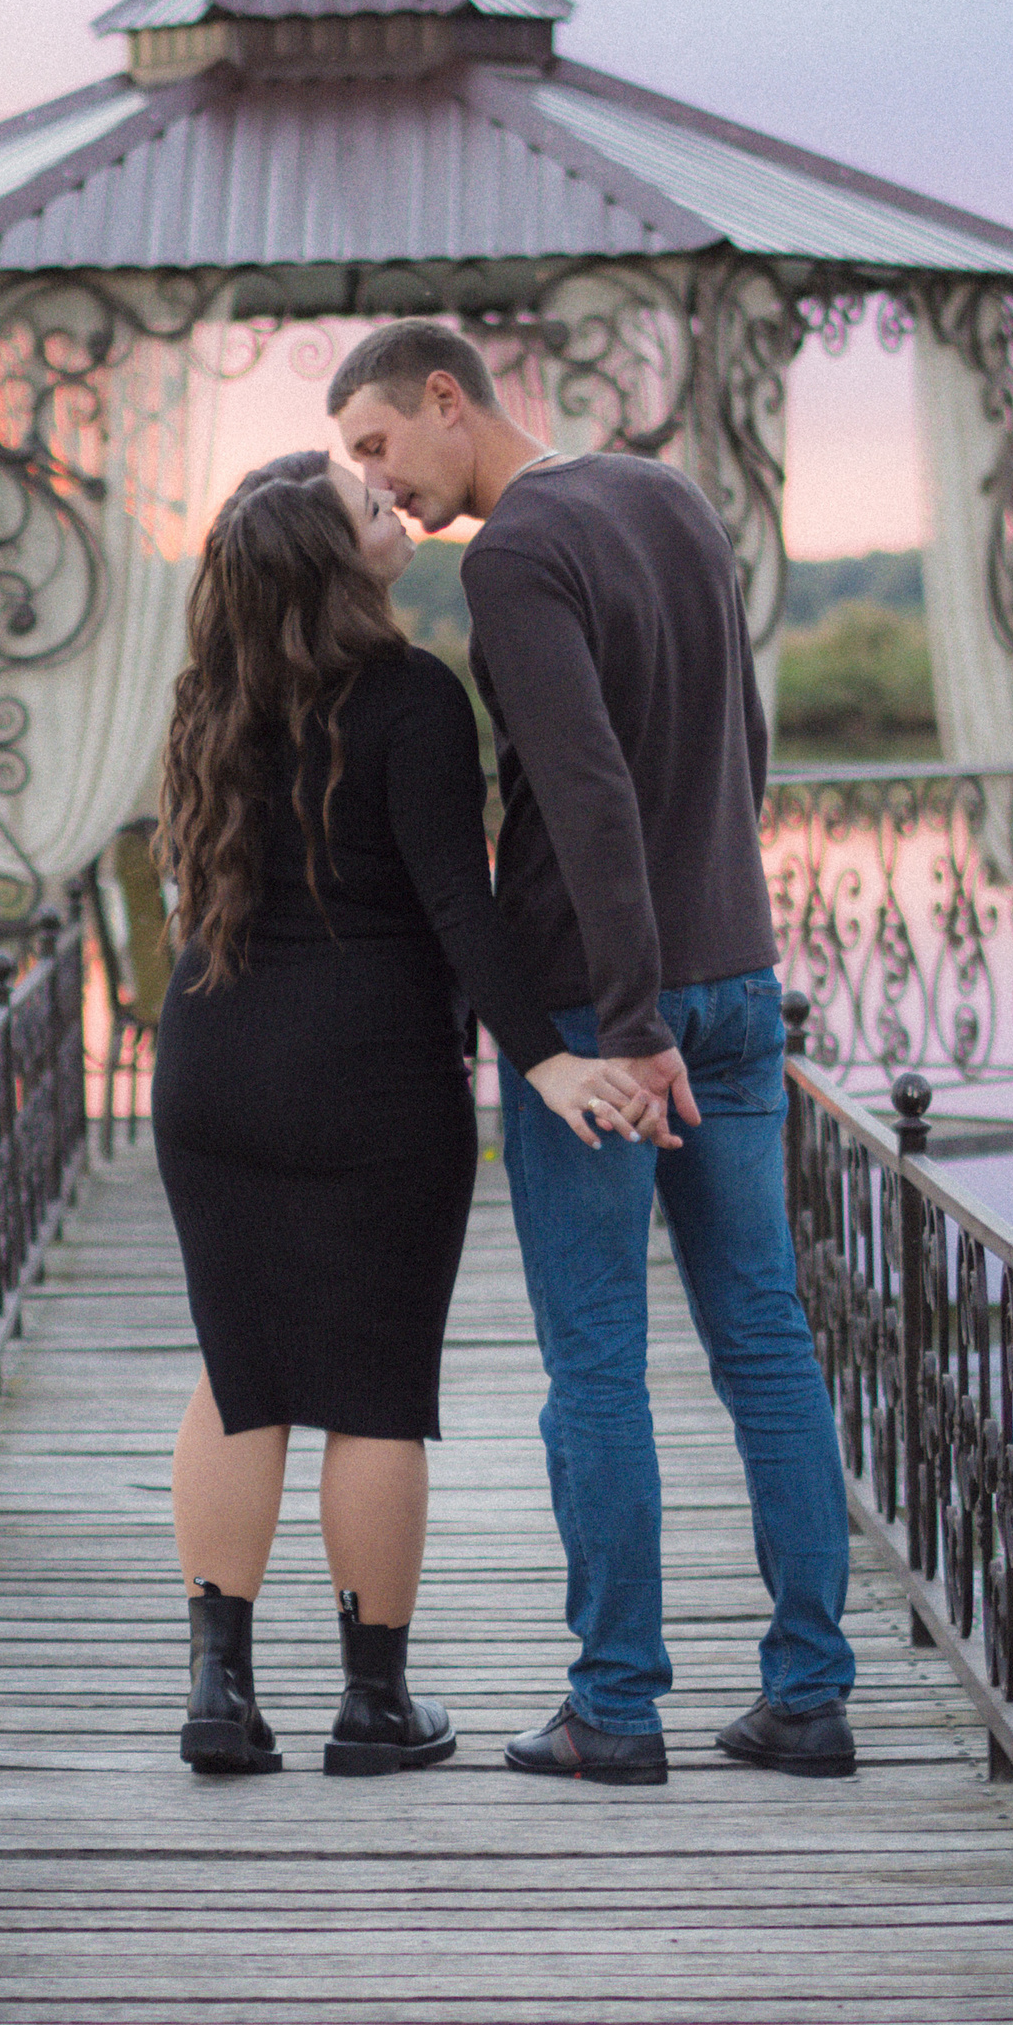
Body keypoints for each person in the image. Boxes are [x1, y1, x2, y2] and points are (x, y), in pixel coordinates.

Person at [330, 323, 858, 1783]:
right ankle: (811, 1694)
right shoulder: (670, 496)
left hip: (598, 1014)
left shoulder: (511, 558)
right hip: (737, 979)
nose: (383, 483)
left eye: (380, 444)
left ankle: (615, 1708)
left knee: (598, 1367)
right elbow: (742, 737)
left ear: (450, 398)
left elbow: (584, 794)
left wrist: (627, 1027)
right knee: (766, 1339)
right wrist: (711, 947)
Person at [150, 450, 649, 1779]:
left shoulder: (211, 697)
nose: (391, 500)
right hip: (374, 1078)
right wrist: (539, 1059)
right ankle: (373, 1709)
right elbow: (458, 905)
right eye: (365, 503)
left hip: (211, 1065)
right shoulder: (418, 699)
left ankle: (220, 1697)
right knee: (373, 1389)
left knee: (240, 1372)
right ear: (334, 561)